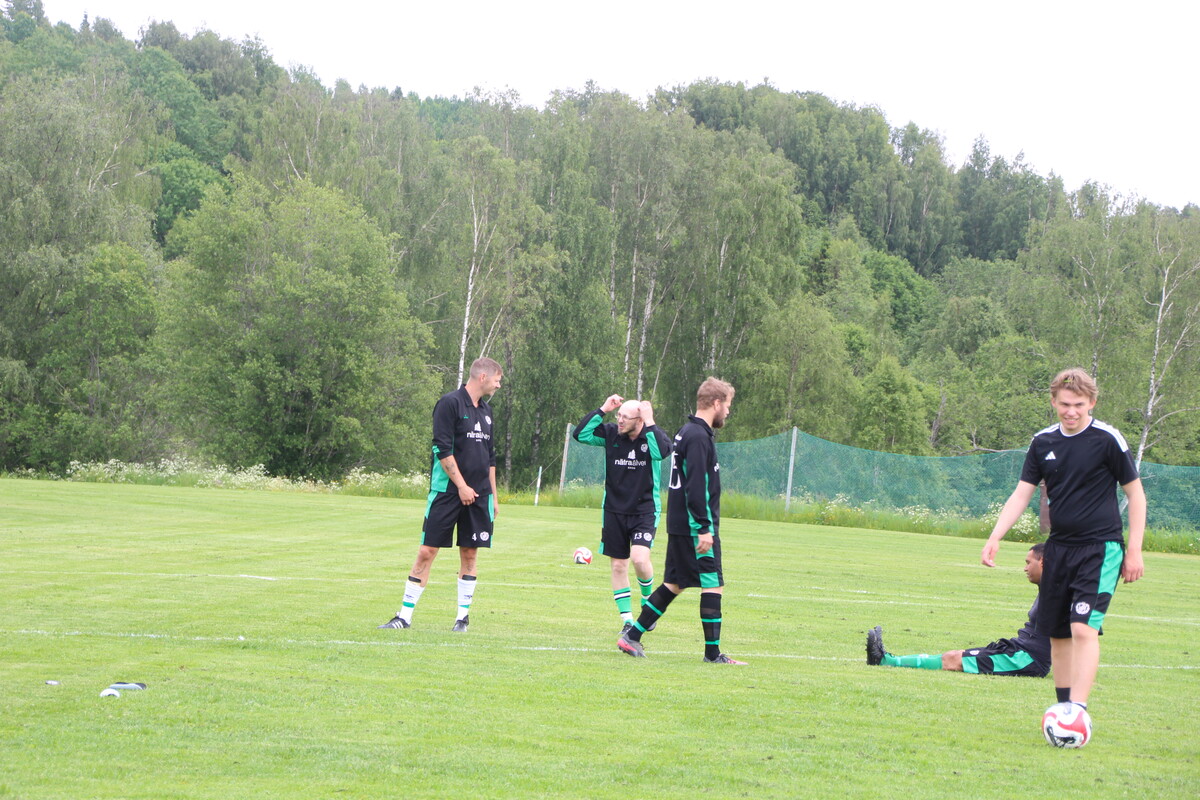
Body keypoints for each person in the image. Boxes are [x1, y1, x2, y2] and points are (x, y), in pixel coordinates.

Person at [981, 368, 1145, 729]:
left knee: (1083, 628)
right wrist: (995, 536)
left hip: (1100, 548)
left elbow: (1136, 495)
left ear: (1092, 403)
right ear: (1053, 401)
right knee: (1057, 633)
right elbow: (1022, 493)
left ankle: (1078, 711)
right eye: (1065, 404)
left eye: (1079, 405)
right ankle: (1063, 711)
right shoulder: (1042, 442)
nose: (1071, 411)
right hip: (1058, 550)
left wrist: (1134, 550)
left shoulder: (1107, 439)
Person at [617, 377, 746, 665]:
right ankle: (712, 654)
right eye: (727, 405)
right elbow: (695, 485)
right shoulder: (697, 436)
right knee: (713, 584)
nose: (728, 411)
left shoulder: (687, 432)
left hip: (680, 523)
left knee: (674, 583)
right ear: (716, 403)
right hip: (693, 525)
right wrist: (704, 527)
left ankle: (632, 636)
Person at [378, 357, 503, 632]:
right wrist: (461, 486)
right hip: (447, 492)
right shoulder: (449, 403)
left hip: (480, 496)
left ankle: (462, 620)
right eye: (497, 380)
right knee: (427, 551)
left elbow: (491, 458)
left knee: (470, 554)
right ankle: (404, 617)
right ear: (482, 377)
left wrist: (493, 497)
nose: (498, 385)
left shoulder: (487, 411)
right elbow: (442, 449)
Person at [867, 543, 1051, 677]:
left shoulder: (1057, 592)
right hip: (1017, 650)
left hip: (1027, 660)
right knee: (954, 655)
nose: (1025, 568)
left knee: (953, 660)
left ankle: (886, 661)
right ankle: (887, 659)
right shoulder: (1047, 587)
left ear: (1042, 562)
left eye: (1028, 562)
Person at [573, 395, 672, 633]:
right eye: (618, 416)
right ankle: (627, 621)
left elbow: (662, 452)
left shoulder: (652, 436)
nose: (619, 420)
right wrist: (603, 409)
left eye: (625, 417)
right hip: (614, 511)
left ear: (639, 420)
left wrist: (650, 421)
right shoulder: (611, 434)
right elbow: (581, 434)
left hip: (645, 510)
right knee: (618, 566)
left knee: (639, 559)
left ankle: (647, 602)